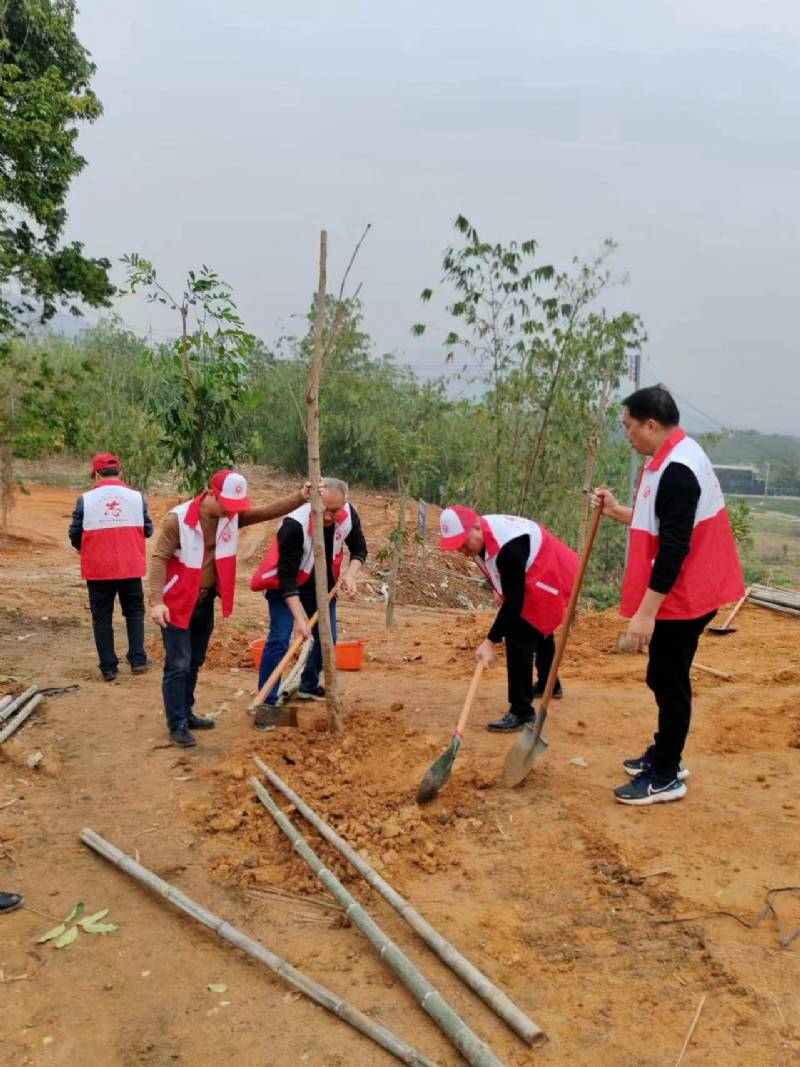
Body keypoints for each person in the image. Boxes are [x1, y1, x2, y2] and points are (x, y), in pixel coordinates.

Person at [592, 385, 744, 806]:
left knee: (668, 680)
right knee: (663, 676)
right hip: (687, 586)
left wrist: (646, 614)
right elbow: (662, 522)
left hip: (688, 592)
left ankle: (666, 775)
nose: (626, 434)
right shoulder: (671, 456)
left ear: (650, 425)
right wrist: (616, 511)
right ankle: (665, 754)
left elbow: (675, 548)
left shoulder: (678, 470)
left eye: (628, 426)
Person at [149, 470, 309, 748]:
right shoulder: (179, 519)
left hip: (204, 600)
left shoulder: (231, 516)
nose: (231, 511)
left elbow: (267, 512)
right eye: (227, 504)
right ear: (211, 493)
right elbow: (159, 557)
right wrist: (156, 601)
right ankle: (177, 723)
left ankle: (187, 712)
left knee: (195, 660)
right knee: (178, 664)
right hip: (176, 602)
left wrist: (301, 496)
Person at [439, 506, 578, 731]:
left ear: (476, 527)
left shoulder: (508, 548)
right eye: (457, 546)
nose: (462, 550)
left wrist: (490, 641)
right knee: (537, 625)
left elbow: (514, 602)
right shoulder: (483, 536)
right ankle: (549, 684)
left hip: (551, 569)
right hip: (541, 561)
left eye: (463, 543)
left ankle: (522, 712)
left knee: (519, 632)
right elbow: (502, 575)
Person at [250, 478, 367, 726]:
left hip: (321, 586)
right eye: (324, 509)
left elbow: (359, 550)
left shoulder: (348, 515)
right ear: (314, 501)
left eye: (336, 510)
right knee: (280, 639)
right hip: (286, 586)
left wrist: (349, 574)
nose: (329, 516)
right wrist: (300, 619)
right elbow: (286, 579)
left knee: (327, 637)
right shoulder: (294, 525)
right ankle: (267, 706)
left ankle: (308, 685)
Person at [68, 452, 154, 681]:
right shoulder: (137, 497)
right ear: (120, 472)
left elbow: (75, 532)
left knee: (102, 617)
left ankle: (108, 668)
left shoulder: (85, 499)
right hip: (130, 567)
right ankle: (138, 659)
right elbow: (148, 530)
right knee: (134, 612)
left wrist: (81, 546)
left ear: (96, 474)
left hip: (98, 569)